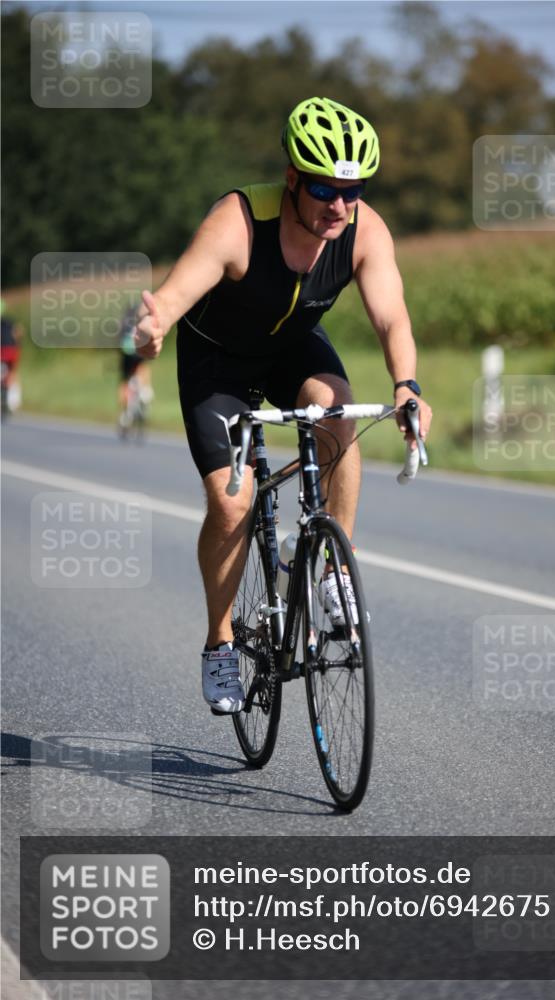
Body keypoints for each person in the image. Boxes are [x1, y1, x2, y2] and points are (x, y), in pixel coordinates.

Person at [133, 96, 432, 714]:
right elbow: (176, 292)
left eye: (354, 190)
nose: (339, 206)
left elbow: (392, 316)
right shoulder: (239, 221)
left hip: (290, 349)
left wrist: (408, 385)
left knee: (339, 408)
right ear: (293, 178)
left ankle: (332, 573)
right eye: (324, 189)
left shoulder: (362, 230)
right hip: (218, 361)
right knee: (231, 500)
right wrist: (155, 321)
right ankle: (219, 642)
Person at [118, 304, 152, 431]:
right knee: (142, 366)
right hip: (138, 353)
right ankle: (145, 391)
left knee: (124, 381)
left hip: (126, 353)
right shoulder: (142, 321)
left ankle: (125, 414)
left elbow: (118, 340)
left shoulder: (123, 322)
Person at [0, 298, 24, 415]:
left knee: (11, 373)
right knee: (13, 373)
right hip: (12, 351)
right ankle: (14, 401)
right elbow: (19, 332)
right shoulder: (10, 322)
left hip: (5, 352)